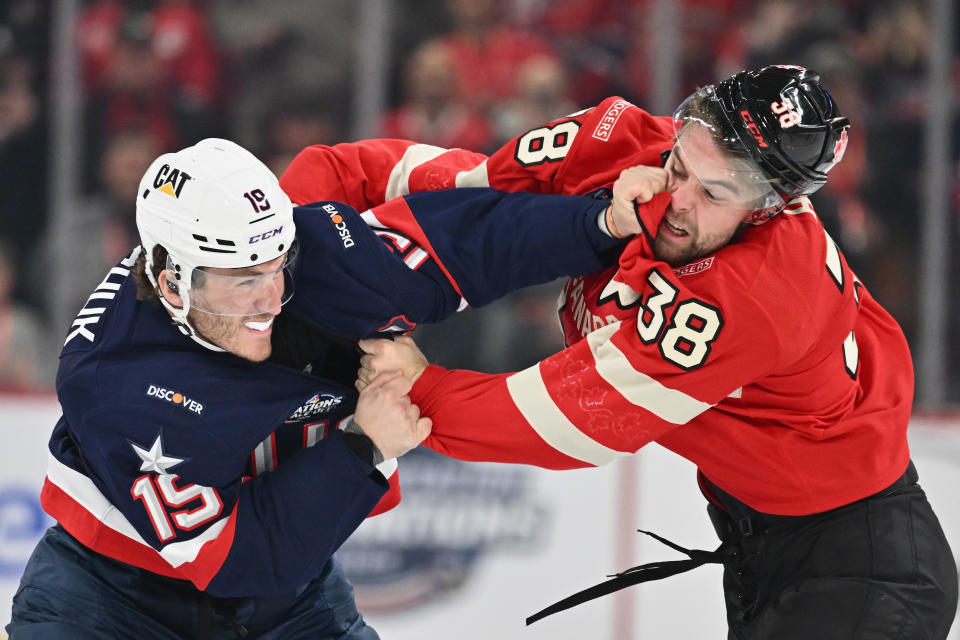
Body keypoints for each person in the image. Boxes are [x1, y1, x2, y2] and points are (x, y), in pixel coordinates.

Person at [352, 66, 959, 639]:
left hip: (864, 567)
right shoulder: (617, 139)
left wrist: (419, 389)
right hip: (771, 541)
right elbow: (465, 187)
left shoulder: (755, 293)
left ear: (769, 206)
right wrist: (319, 209)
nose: (679, 197)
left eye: (716, 191)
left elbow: (567, 420)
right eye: (679, 163)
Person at [6, 137, 647, 639]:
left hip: (292, 601)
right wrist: (365, 445)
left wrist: (603, 223)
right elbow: (243, 558)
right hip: (110, 600)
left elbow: (473, 240)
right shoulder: (117, 385)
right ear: (173, 283)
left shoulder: (320, 256)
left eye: (276, 266)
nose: (270, 299)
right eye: (241, 280)